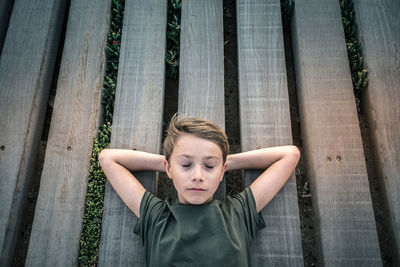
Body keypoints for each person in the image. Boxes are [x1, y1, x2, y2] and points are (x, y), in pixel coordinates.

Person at [98, 114, 300, 266]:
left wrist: (225, 163)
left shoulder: (238, 212)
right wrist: (169, 163)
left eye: (209, 166)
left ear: (222, 171)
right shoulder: (157, 216)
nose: (198, 175)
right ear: (168, 168)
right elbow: (108, 159)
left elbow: (289, 155)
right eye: (186, 165)